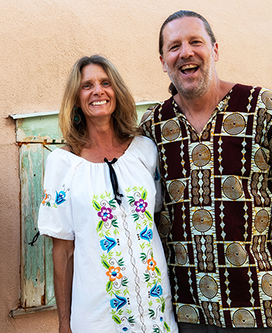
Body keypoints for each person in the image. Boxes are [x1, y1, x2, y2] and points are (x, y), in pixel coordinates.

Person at [140, 10, 272, 333]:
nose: (185, 52)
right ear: (162, 61)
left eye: (195, 42)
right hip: (185, 313)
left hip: (261, 308)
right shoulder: (153, 128)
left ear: (214, 50)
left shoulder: (266, 109)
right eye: (174, 46)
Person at [37, 55, 178, 332]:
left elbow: (157, 222)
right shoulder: (63, 164)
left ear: (117, 92)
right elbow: (63, 251)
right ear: (76, 99)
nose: (98, 91)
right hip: (97, 316)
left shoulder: (145, 151)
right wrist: (64, 323)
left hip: (156, 310)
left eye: (105, 83)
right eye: (87, 85)